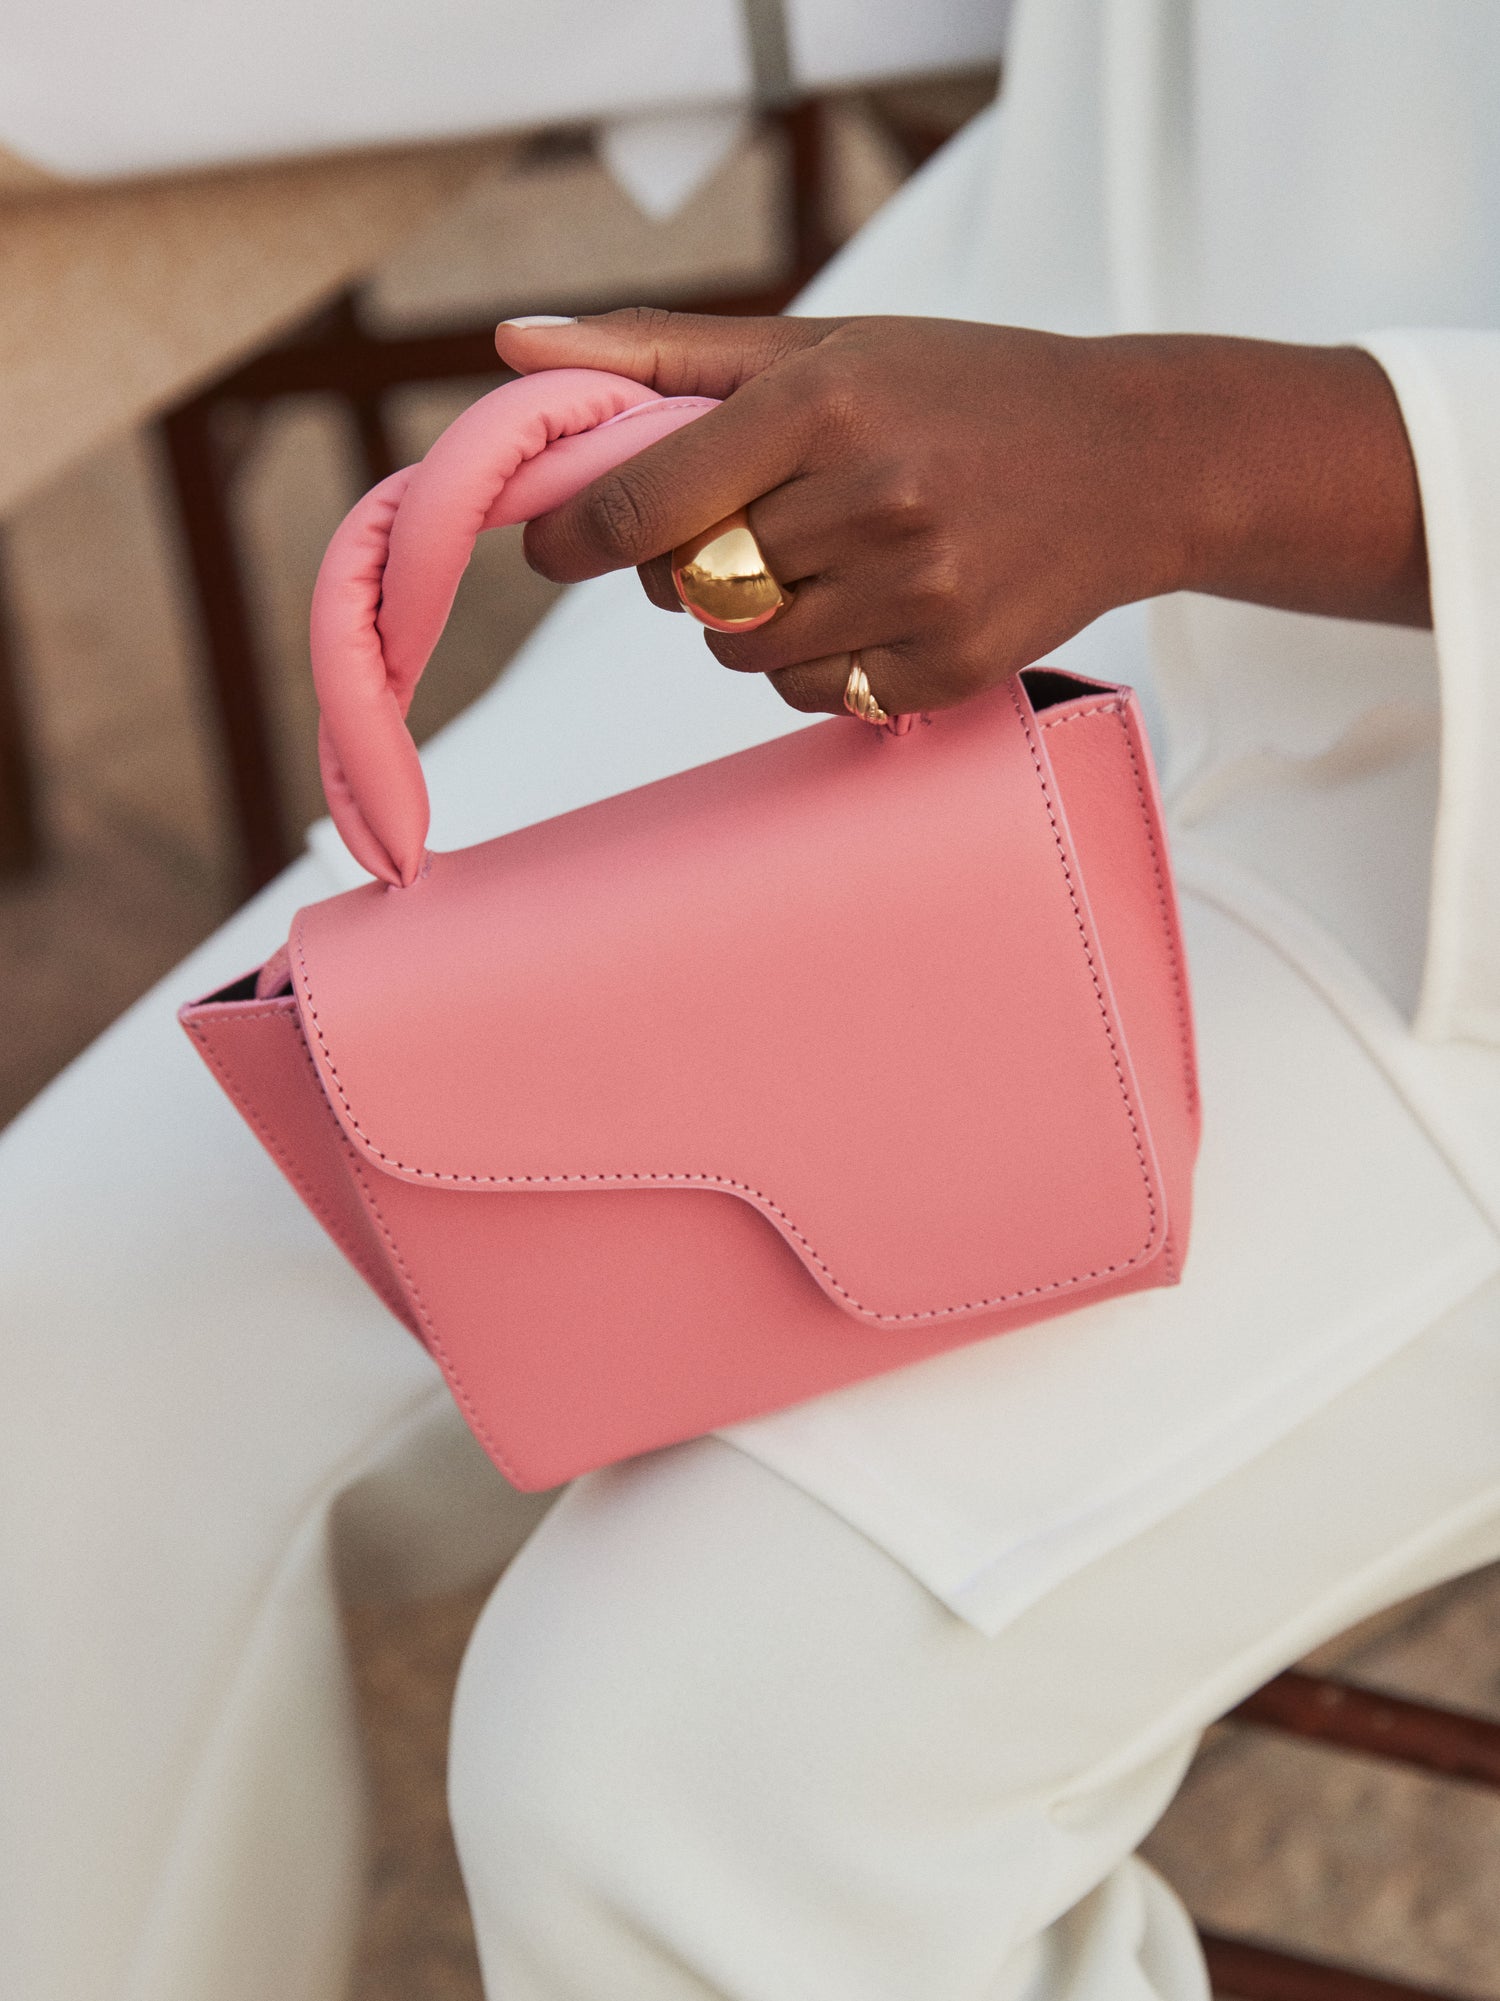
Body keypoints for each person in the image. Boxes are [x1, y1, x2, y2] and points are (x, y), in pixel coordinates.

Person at [5, 3, 1500, 1996]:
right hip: (1030, 379)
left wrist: (1184, 450)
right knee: (68, 1332)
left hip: (1406, 730)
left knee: (674, 1779)